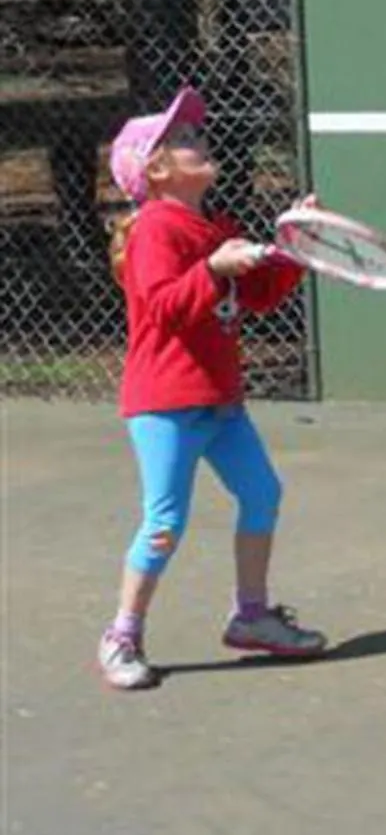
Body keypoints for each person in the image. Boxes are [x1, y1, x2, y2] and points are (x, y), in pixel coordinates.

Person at [98, 86, 327, 690]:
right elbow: (163, 308)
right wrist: (212, 269)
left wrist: (293, 248)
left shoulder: (215, 227)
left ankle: (250, 617)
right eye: (183, 139)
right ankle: (122, 635)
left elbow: (257, 296)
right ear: (156, 170)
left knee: (262, 494)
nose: (199, 140)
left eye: (195, 133)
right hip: (164, 405)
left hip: (221, 403)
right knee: (164, 523)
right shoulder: (155, 230)